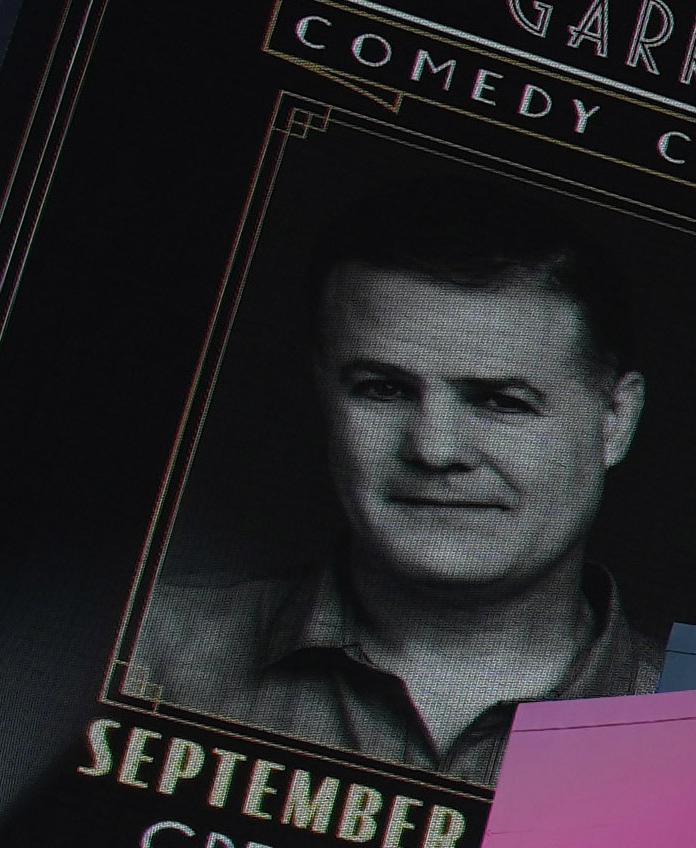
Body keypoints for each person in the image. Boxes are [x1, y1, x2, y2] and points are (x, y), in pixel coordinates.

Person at [117, 179, 667, 782]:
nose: (433, 450)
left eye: (502, 402)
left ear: (615, 421)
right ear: (324, 397)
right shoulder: (138, 649)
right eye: (383, 390)